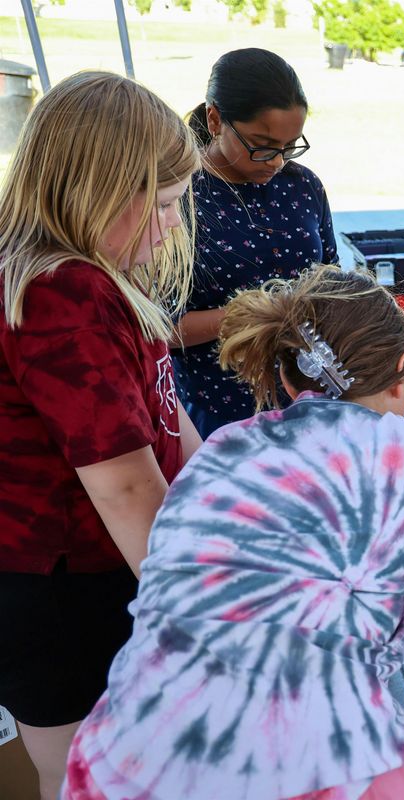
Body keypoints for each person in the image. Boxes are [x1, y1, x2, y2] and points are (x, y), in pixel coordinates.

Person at [64, 265, 404, 800]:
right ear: (403, 374)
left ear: (285, 378)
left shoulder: (225, 446)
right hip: (318, 757)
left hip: (133, 751)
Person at [0, 72, 201, 800]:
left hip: (103, 569)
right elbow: (121, 482)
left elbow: (166, 415)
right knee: (90, 773)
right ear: (100, 188)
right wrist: (195, 614)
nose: (174, 226)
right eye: (167, 205)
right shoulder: (62, 291)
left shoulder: (99, 275)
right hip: (60, 588)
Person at [174, 48, 338, 439]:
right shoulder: (177, 195)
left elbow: (333, 278)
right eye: (261, 145)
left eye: (290, 145)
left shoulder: (303, 185)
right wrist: (258, 313)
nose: (276, 161)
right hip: (215, 409)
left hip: (308, 400)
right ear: (215, 119)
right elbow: (156, 327)